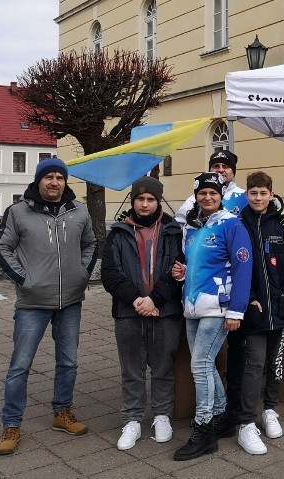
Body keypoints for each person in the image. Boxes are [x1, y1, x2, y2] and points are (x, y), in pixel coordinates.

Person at [0, 157, 97, 456]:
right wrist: (25, 280)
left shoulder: (79, 212)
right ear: (38, 181)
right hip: (32, 304)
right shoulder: (18, 212)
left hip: (70, 302)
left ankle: (62, 412)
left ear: (65, 181)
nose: (54, 182)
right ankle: (11, 423)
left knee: (68, 362)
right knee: (20, 366)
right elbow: (0, 248)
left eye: (59, 177)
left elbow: (91, 244)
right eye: (48, 177)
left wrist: (81, 273)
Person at [172, 172, 253, 461]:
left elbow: (244, 269)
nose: (207, 197)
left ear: (220, 196)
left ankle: (204, 429)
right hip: (192, 306)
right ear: (196, 196)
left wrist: (236, 310)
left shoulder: (232, 225)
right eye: (202, 193)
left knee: (200, 365)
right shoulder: (192, 227)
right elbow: (193, 264)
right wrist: (181, 274)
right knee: (204, 366)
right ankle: (221, 417)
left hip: (218, 308)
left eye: (213, 193)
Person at [101, 176, 184, 451]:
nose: (145, 204)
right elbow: (110, 274)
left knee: (163, 366)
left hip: (165, 310)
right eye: (140, 199)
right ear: (133, 201)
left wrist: (155, 299)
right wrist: (137, 299)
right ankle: (132, 419)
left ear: (158, 201)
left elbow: (178, 269)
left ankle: (161, 415)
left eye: (150, 199)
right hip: (128, 312)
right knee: (132, 368)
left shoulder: (173, 232)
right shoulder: (118, 232)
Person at [227, 171, 284, 455]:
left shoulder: (282, 224)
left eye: (263, 193)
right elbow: (233, 266)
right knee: (254, 364)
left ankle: (270, 410)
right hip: (254, 311)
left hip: (281, 307)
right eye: (253, 193)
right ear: (246, 195)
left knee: (275, 363)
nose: (258, 198)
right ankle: (246, 422)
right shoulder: (238, 224)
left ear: (271, 194)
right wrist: (247, 298)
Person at [175, 149, 247, 223]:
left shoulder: (245, 197)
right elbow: (179, 227)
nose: (221, 170)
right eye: (216, 166)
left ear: (233, 171)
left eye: (225, 166)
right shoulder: (194, 200)